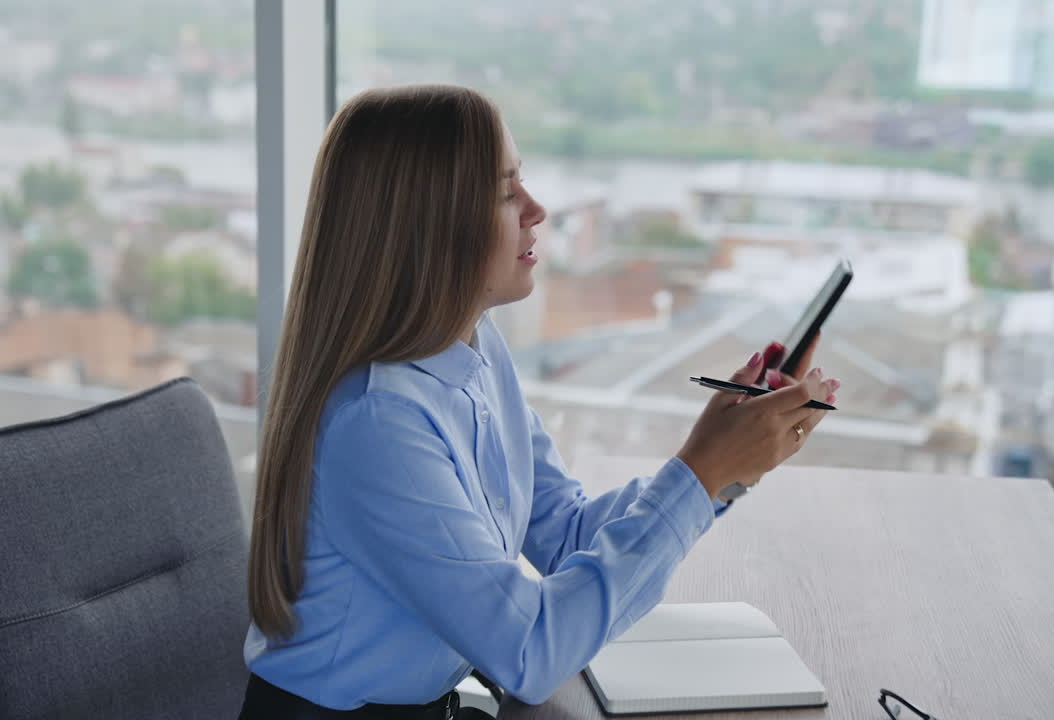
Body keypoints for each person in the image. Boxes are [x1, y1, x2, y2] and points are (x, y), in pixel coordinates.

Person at [239, 84, 839, 719]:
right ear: (430, 226)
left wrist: (725, 466)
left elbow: (567, 533)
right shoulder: (377, 424)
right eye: (505, 193)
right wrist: (702, 471)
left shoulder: (472, 349)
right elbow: (530, 653)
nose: (537, 209)